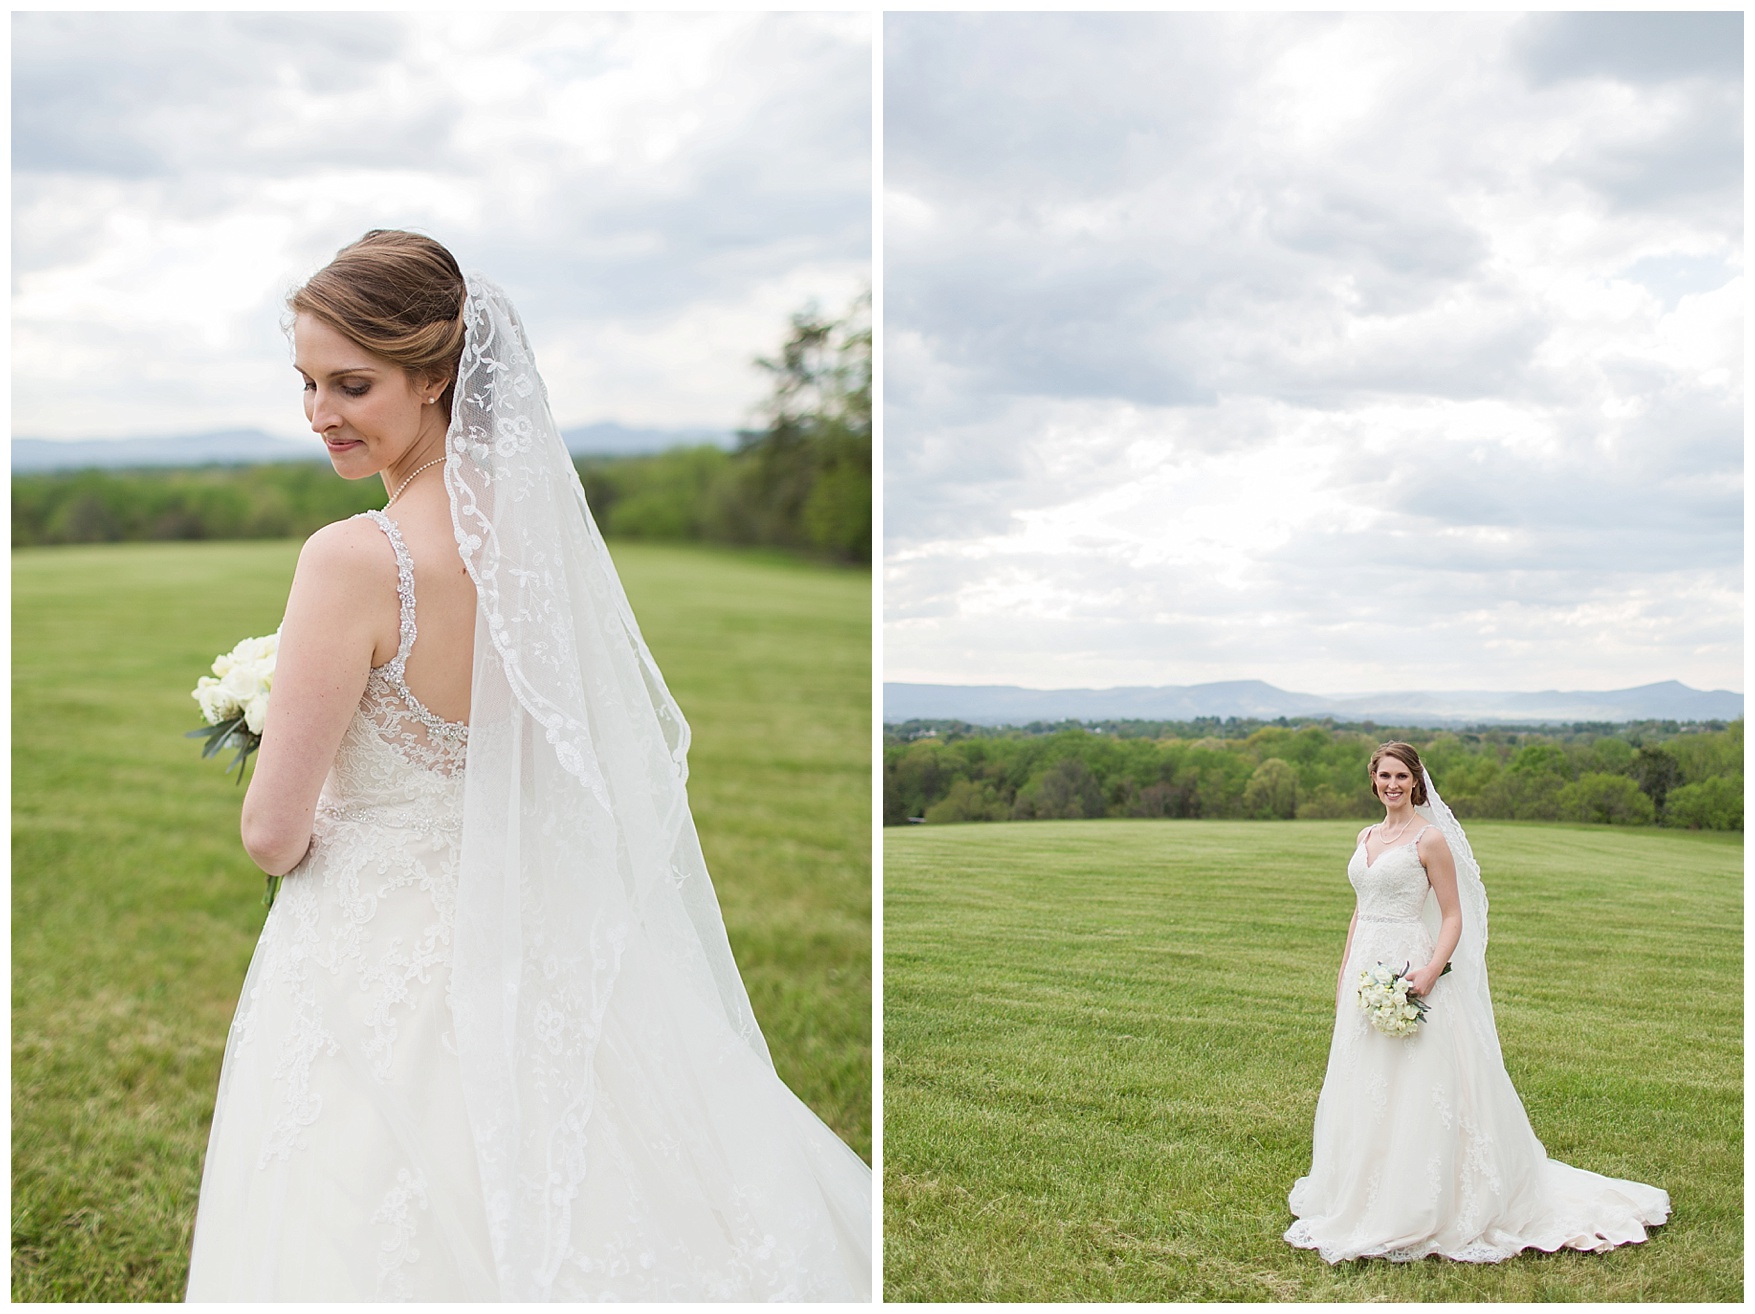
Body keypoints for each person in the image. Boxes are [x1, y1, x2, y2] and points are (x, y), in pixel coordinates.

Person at [185, 230, 872, 1300]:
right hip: (536, 922)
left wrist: (290, 743)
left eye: (352, 383)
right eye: (307, 383)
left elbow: (274, 834)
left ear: (437, 374)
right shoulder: (539, 538)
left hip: (376, 947)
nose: (320, 411)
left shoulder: (351, 560)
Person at [1284, 741, 1668, 1265]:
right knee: (1363, 1079)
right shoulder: (1366, 836)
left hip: (1409, 968)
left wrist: (1431, 973)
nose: (1392, 785)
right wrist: (1343, 969)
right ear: (1372, 780)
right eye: (1384, 776)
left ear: (1416, 782)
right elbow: (1360, 910)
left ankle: (1421, 1200)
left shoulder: (1430, 838)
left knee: (1415, 1082)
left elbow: (1451, 917)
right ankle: (1361, 1190)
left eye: (1401, 776)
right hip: (1365, 969)